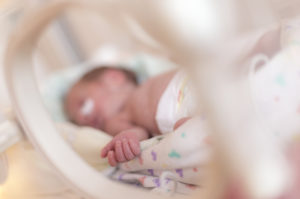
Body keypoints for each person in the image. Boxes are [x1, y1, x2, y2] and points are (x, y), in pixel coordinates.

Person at [64, 66, 194, 166]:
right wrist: (126, 140)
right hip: (186, 114)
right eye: (78, 122)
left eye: (82, 104)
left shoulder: (150, 81)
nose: (82, 118)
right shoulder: (116, 121)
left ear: (113, 78)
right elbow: (138, 134)